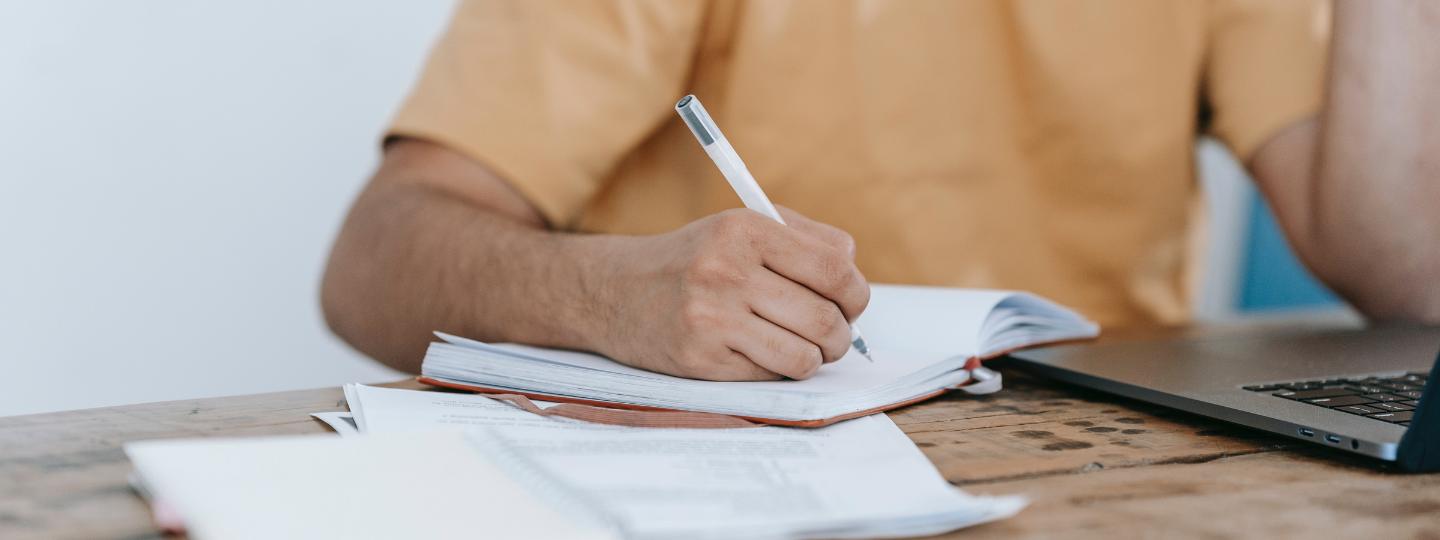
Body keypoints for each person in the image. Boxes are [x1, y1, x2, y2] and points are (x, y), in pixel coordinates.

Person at [322, 1, 1440, 381]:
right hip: (734, 480)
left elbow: (1404, 269)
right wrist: (607, 298)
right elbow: (374, 257)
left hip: (1103, 476)